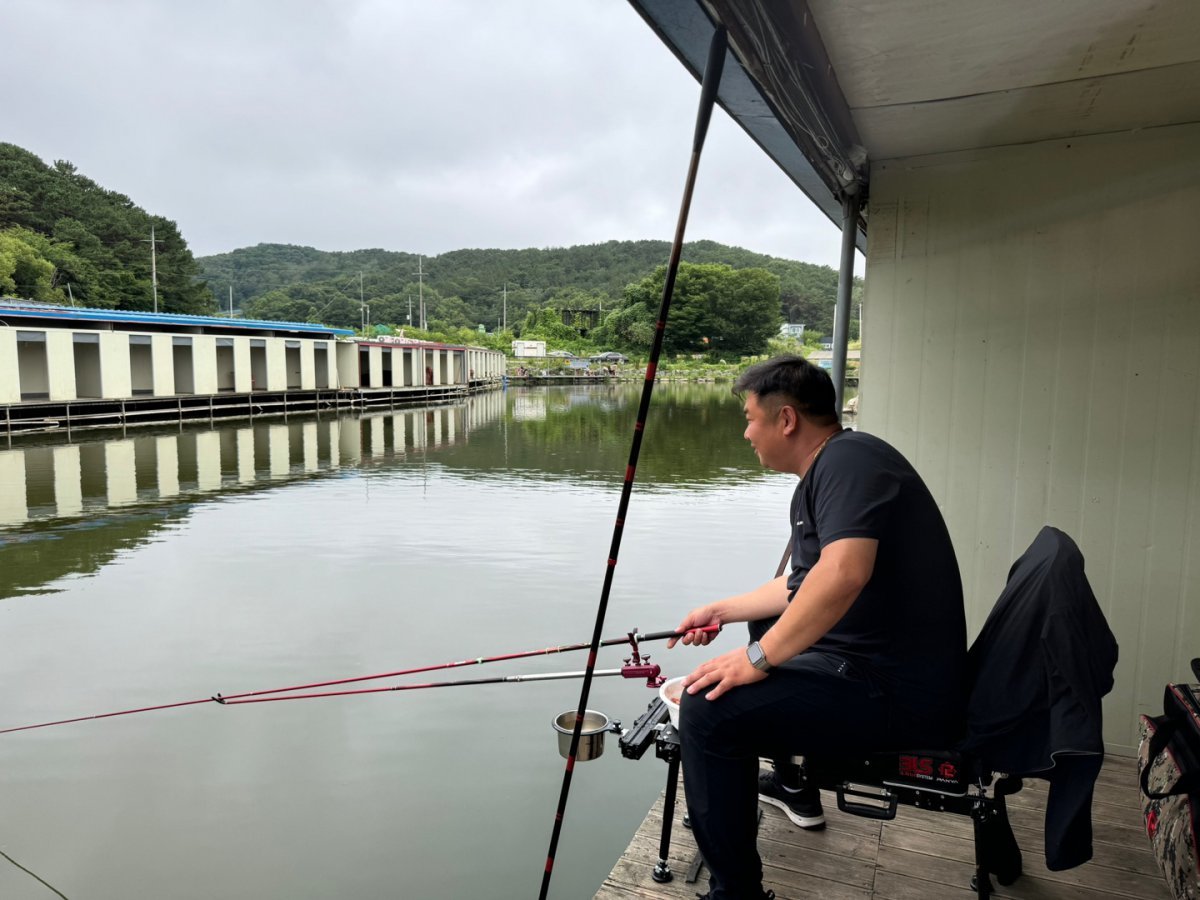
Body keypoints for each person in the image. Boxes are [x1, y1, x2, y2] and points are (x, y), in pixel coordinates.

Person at [667, 355, 967, 900]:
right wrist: (720, 610)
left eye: (751, 418)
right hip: (870, 666)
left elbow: (844, 573)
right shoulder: (834, 465)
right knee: (765, 619)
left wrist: (756, 660)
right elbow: (801, 585)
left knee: (708, 711)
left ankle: (735, 894)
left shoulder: (849, 463)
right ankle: (793, 786)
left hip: (895, 691)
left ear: (786, 420)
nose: (746, 432)